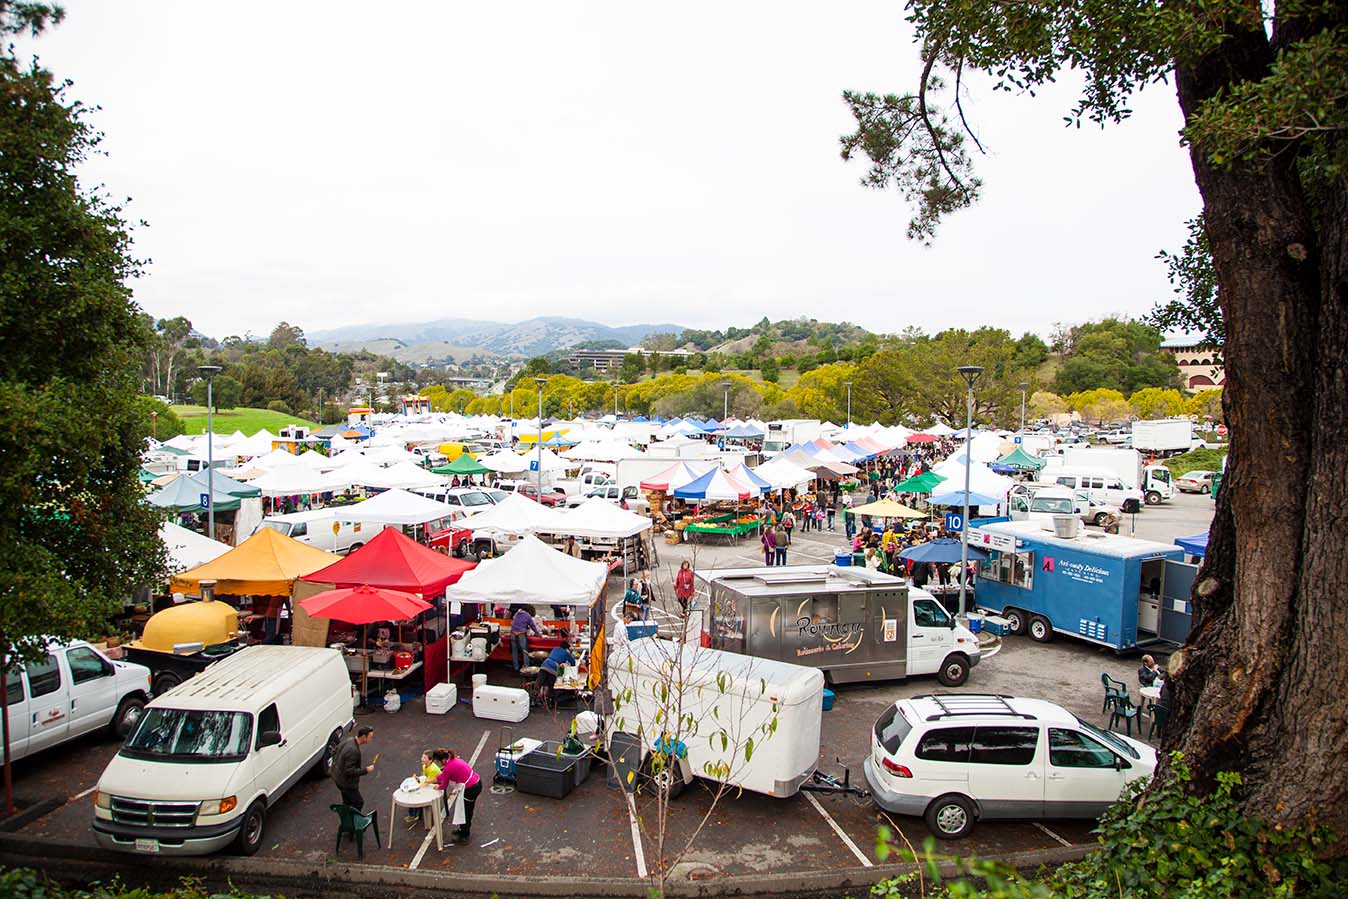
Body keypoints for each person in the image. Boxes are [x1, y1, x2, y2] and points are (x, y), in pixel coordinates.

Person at [432, 748, 482, 844]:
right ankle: (462, 830)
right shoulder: (454, 760)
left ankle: (464, 835)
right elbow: (444, 776)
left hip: (470, 789)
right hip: (476, 783)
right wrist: (433, 780)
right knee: (466, 809)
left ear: (442, 760)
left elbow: (444, 785)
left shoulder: (447, 768)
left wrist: (436, 786)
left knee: (465, 812)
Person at [332, 725, 375, 810]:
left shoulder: (348, 740)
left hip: (338, 777)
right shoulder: (353, 751)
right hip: (346, 783)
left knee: (347, 801)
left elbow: (335, 751)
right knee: (358, 802)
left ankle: (346, 817)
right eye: (370, 737)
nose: (371, 740)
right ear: (363, 737)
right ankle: (353, 820)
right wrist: (366, 770)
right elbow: (350, 771)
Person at [535, 631, 577, 709]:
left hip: (544, 665)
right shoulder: (566, 653)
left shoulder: (555, 649)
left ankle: (535, 699)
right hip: (552, 669)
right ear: (567, 648)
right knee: (549, 685)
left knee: (540, 683)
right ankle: (547, 703)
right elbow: (573, 662)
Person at [510, 605, 541, 672]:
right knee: (525, 652)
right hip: (521, 634)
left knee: (514, 651)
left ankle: (516, 667)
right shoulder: (527, 616)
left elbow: (514, 621)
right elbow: (533, 626)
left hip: (513, 633)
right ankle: (526, 667)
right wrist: (538, 634)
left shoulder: (517, 613)